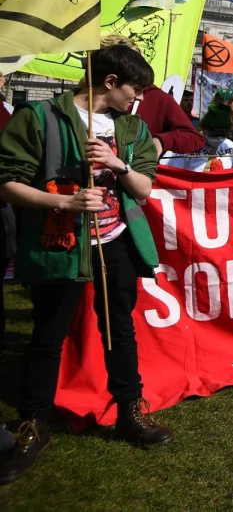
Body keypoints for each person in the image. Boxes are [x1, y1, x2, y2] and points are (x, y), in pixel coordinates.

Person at [0, 44, 172, 485]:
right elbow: (7, 182)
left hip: (114, 243)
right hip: (61, 243)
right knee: (48, 334)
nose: (139, 99)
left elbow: (145, 188)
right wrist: (65, 200)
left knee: (120, 329)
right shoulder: (40, 117)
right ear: (110, 83)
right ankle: (32, 425)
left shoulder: (132, 127)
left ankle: (129, 411)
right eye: (135, 89)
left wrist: (118, 164)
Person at [163, 89, 233, 171]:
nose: (219, 138)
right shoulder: (186, 145)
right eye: (215, 133)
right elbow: (168, 172)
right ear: (205, 129)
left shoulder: (230, 146)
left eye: (223, 134)